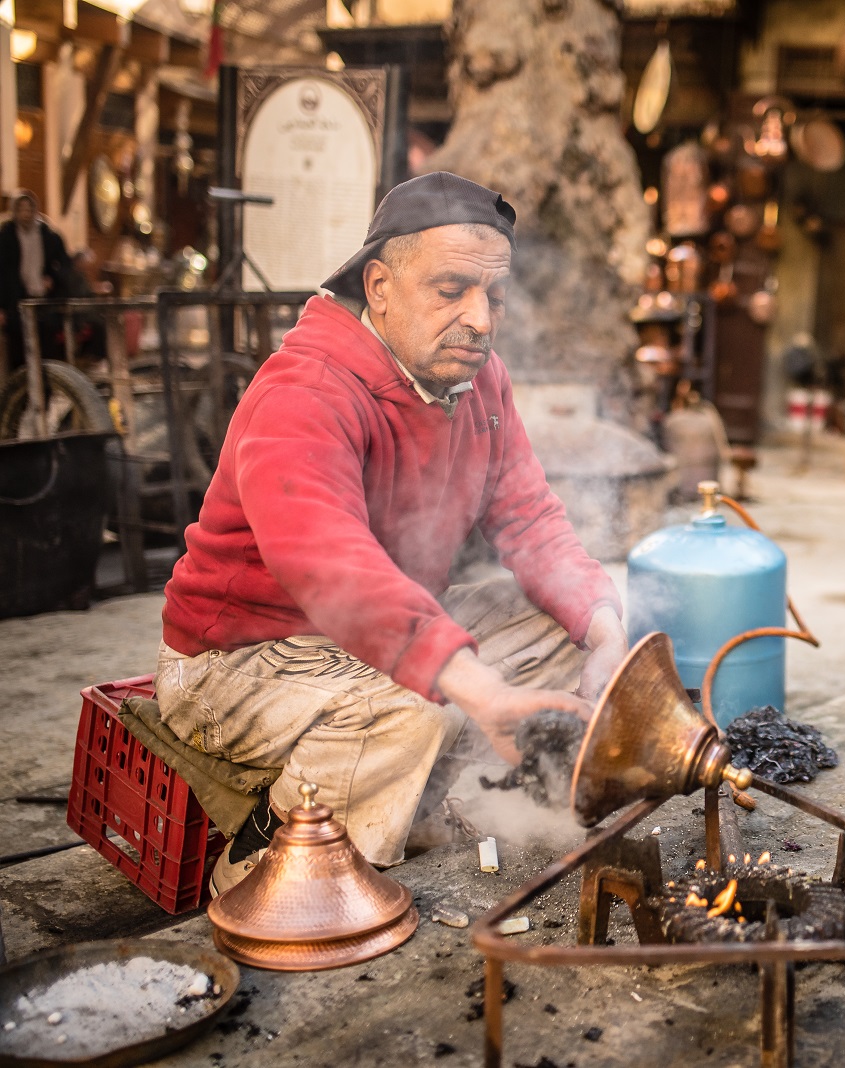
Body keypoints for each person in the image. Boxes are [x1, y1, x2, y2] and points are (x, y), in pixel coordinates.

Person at [155, 173, 630, 894]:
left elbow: (532, 522)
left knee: (560, 628)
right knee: (415, 710)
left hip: (385, 628)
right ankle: (257, 873)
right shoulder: (305, 389)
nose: (481, 319)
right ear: (378, 287)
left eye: (493, 296)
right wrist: (474, 686)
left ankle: (418, 793)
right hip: (239, 660)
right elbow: (329, 564)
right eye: (451, 289)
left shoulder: (482, 382)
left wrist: (605, 635)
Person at [0, 191, 73, 375]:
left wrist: (52, 279)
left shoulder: (49, 236)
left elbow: (64, 265)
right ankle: (20, 395)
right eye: (21, 209)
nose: (26, 213)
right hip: (15, 303)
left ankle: (45, 393)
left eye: (29, 209)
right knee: (19, 354)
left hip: (43, 301)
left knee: (46, 352)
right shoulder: (5, 236)